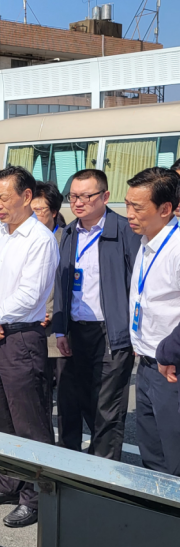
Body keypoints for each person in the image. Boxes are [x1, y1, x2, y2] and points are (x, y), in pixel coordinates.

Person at [0, 166, 59, 528]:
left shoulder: (40, 239)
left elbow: (30, 295)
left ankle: (36, 498)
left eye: (3, 197)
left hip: (22, 339)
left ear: (26, 196)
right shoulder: (0, 235)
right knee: (2, 418)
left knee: (30, 423)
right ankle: (9, 483)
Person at [52, 169, 140, 461]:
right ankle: (79, 467)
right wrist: (61, 329)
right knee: (78, 401)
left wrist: (134, 333)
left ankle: (103, 475)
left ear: (105, 196)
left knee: (108, 408)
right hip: (76, 330)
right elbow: (61, 283)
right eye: (73, 196)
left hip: (111, 331)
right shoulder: (68, 233)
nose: (78, 202)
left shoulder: (125, 231)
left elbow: (139, 286)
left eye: (86, 196)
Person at [126, 167, 180, 476]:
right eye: (127, 204)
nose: (129, 214)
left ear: (165, 208)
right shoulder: (147, 241)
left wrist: (169, 352)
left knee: (175, 458)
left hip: (171, 369)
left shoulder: (176, 247)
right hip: (146, 364)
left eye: (137, 207)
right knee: (153, 456)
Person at [32, 182, 68, 384]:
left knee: (64, 387)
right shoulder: (22, 240)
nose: (33, 215)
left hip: (57, 326)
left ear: (54, 211)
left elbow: (67, 283)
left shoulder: (66, 240)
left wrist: (49, 312)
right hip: (29, 323)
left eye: (39, 210)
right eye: (30, 210)